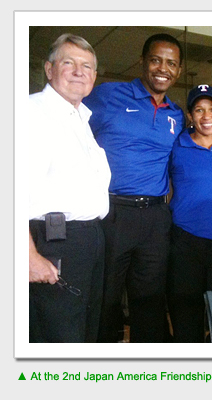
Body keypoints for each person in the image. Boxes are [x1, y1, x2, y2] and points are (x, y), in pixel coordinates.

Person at [83, 33, 184, 342]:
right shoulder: (108, 96)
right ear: (142, 62)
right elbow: (71, 128)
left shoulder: (176, 115)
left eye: (171, 63)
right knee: (105, 298)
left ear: (178, 70)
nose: (162, 68)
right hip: (113, 213)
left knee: (150, 301)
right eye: (156, 60)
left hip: (155, 216)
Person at [28, 34, 111, 342]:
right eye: (69, 63)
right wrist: (25, 254)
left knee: (82, 333)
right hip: (52, 242)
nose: (79, 71)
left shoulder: (80, 118)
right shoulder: (31, 112)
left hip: (87, 240)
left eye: (87, 66)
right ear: (49, 69)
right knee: (57, 337)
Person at [167, 84, 212, 342]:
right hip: (185, 244)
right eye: (199, 110)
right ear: (190, 115)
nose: (206, 116)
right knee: (186, 317)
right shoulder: (176, 146)